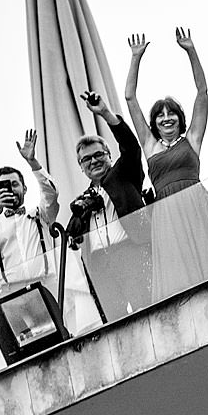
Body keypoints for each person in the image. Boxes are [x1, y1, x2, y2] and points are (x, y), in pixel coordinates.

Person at [122, 28, 208, 301]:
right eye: (160, 116)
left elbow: (202, 91)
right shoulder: (150, 146)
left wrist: (190, 50)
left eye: (171, 113)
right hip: (166, 213)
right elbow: (130, 98)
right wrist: (136, 58)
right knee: (178, 269)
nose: (166, 118)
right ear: (154, 123)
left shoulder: (192, 140)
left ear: (179, 118)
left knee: (207, 261)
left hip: (196, 203)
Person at [67, 90, 150, 318]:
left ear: (109, 155)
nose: (93, 161)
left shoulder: (123, 174)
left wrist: (104, 112)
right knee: (115, 323)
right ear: (80, 166)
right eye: (86, 159)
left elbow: (131, 147)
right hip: (100, 265)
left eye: (98, 155)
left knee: (148, 310)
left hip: (130, 252)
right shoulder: (82, 200)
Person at [0, 129, 60, 294]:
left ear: (24, 188)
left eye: (14, 184)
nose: (11, 190)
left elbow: (52, 194)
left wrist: (32, 161)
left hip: (47, 286)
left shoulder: (39, 214)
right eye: (4, 186)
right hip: (11, 293)